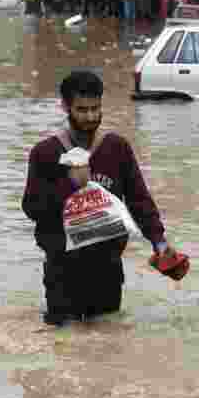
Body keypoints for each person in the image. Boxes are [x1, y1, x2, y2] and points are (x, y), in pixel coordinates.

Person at [21, 70, 181, 327]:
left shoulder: (116, 148)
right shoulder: (45, 153)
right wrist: (70, 184)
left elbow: (139, 200)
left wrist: (160, 243)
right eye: (82, 109)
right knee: (65, 346)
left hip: (107, 268)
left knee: (108, 345)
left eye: (95, 108)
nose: (90, 116)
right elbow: (31, 207)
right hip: (62, 271)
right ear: (65, 107)